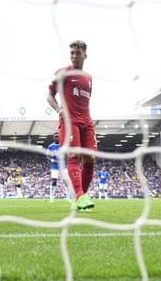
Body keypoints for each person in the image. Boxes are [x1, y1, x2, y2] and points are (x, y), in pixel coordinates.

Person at [47, 40, 96, 211]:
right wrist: (58, 109)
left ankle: (78, 197)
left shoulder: (89, 78)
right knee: (73, 155)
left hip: (87, 121)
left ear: (85, 55)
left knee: (90, 158)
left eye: (77, 53)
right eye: (72, 53)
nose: (74, 56)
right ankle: (81, 197)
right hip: (69, 121)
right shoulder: (62, 73)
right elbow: (49, 95)